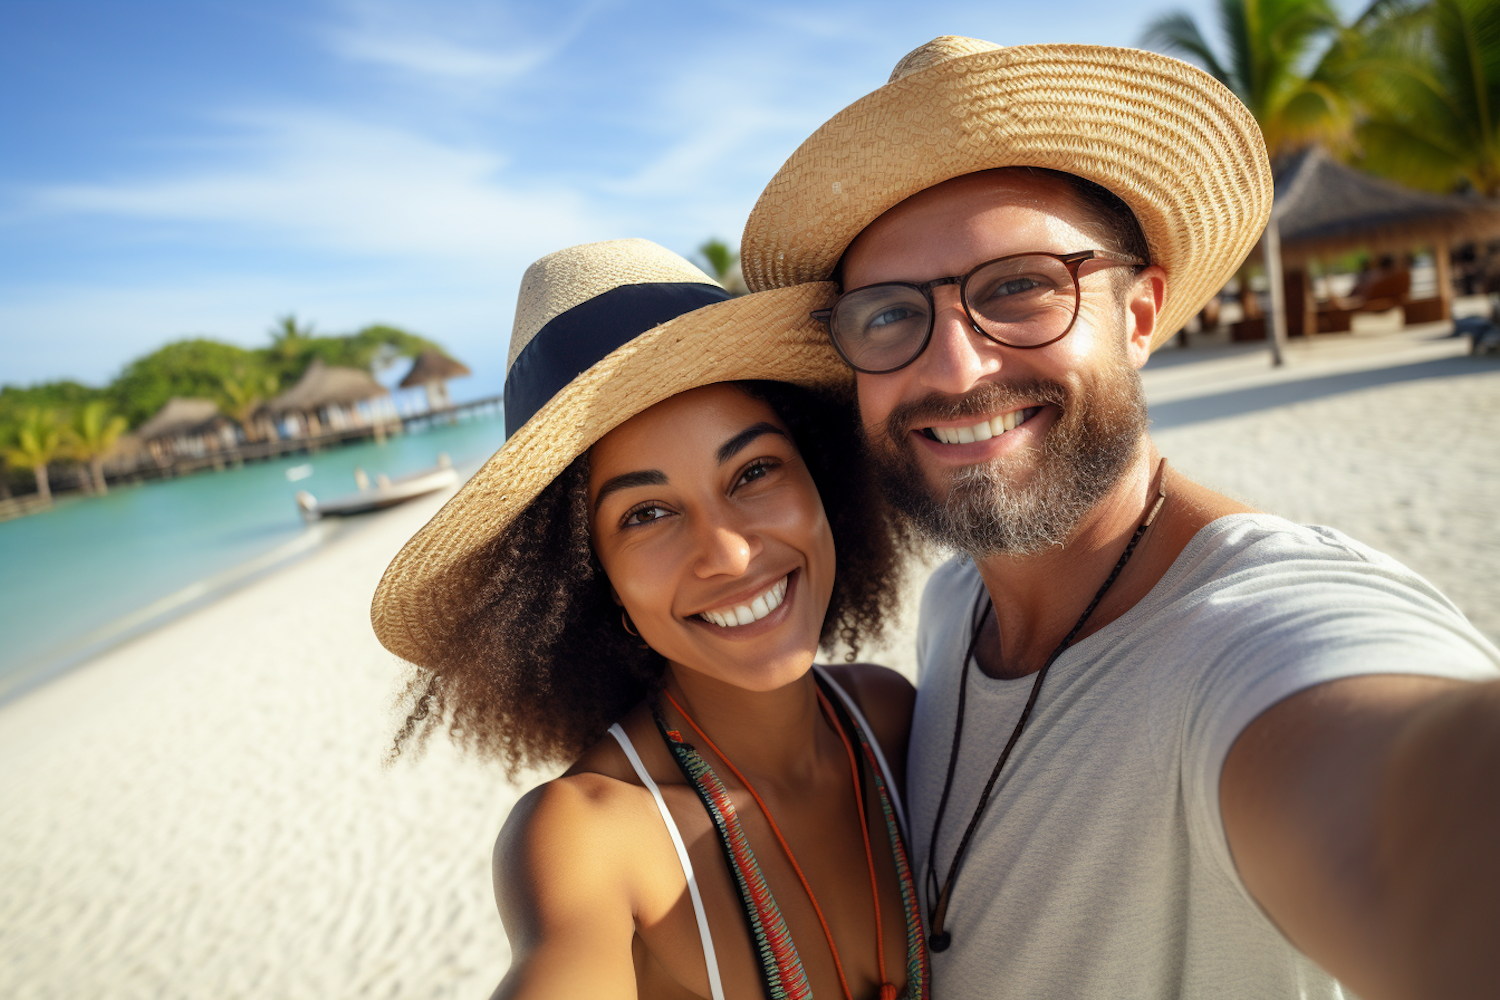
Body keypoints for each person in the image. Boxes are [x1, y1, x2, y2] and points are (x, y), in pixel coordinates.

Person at [738, 36, 1500, 1000]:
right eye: (889, 316)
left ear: (1139, 317)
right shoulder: (953, 605)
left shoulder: (1259, 633)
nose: (956, 369)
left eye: (1018, 286)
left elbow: (1410, 802)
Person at [371, 238, 930, 999]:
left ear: (823, 478)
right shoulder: (587, 837)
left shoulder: (891, 718)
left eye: (755, 471)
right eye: (648, 513)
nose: (729, 553)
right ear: (592, 584)